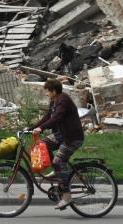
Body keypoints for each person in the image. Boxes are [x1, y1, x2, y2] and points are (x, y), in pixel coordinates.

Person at [31, 78, 84, 209]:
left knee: (58, 161)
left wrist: (41, 128)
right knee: (42, 144)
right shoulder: (55, 101)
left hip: (72, 137)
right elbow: (48, 116)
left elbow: (57, 118)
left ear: (54, 91)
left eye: (47, 91)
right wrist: (31, 128)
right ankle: (58, 172)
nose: (46, 94)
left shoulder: (63, 100)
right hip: (62, 135)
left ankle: (67, 197)